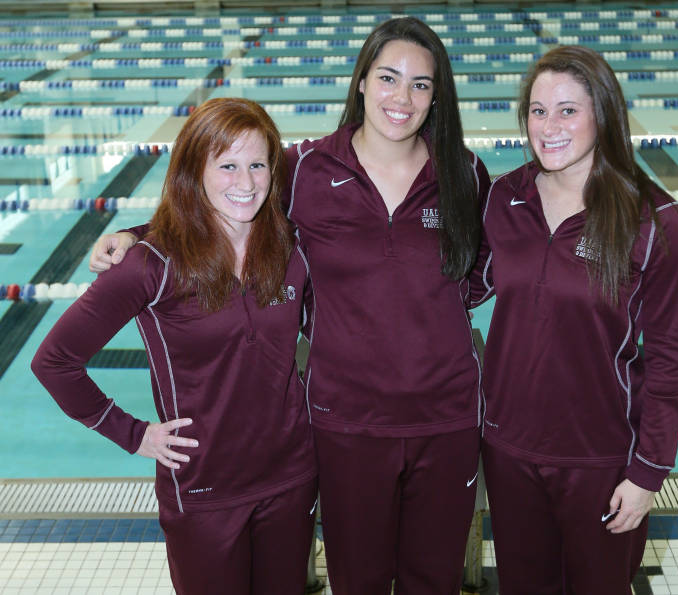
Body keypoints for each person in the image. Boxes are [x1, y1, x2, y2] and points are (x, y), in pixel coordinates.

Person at [89, 17, 490, 595]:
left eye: (421, 84)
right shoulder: (306, 169)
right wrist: (137, 233)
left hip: (448, 419)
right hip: (345, 422)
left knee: (435, 580)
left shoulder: (463, 174)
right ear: (360, 82)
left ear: (437, 95)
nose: (402, 98)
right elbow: (227, 203)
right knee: (358, 579)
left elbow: (481, 271)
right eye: (388, 77)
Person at [33, 98, 317, 595]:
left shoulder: (291, 247)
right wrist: (133, 434)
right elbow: (54, 362)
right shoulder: (150, 265)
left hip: (291, 477)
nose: (246, 182)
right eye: (227, 166)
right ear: (194, 171)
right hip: (204, 490)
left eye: (257, 164)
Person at [470, 46, 678, 594]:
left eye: (568, 110)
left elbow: (668, 364)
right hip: (509, 449)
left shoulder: (656, 222)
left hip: (600, 459)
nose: (548, 127)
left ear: (604, 114)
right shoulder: (506, 197)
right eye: (538, 110)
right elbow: (462, 287)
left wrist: (648, 472)